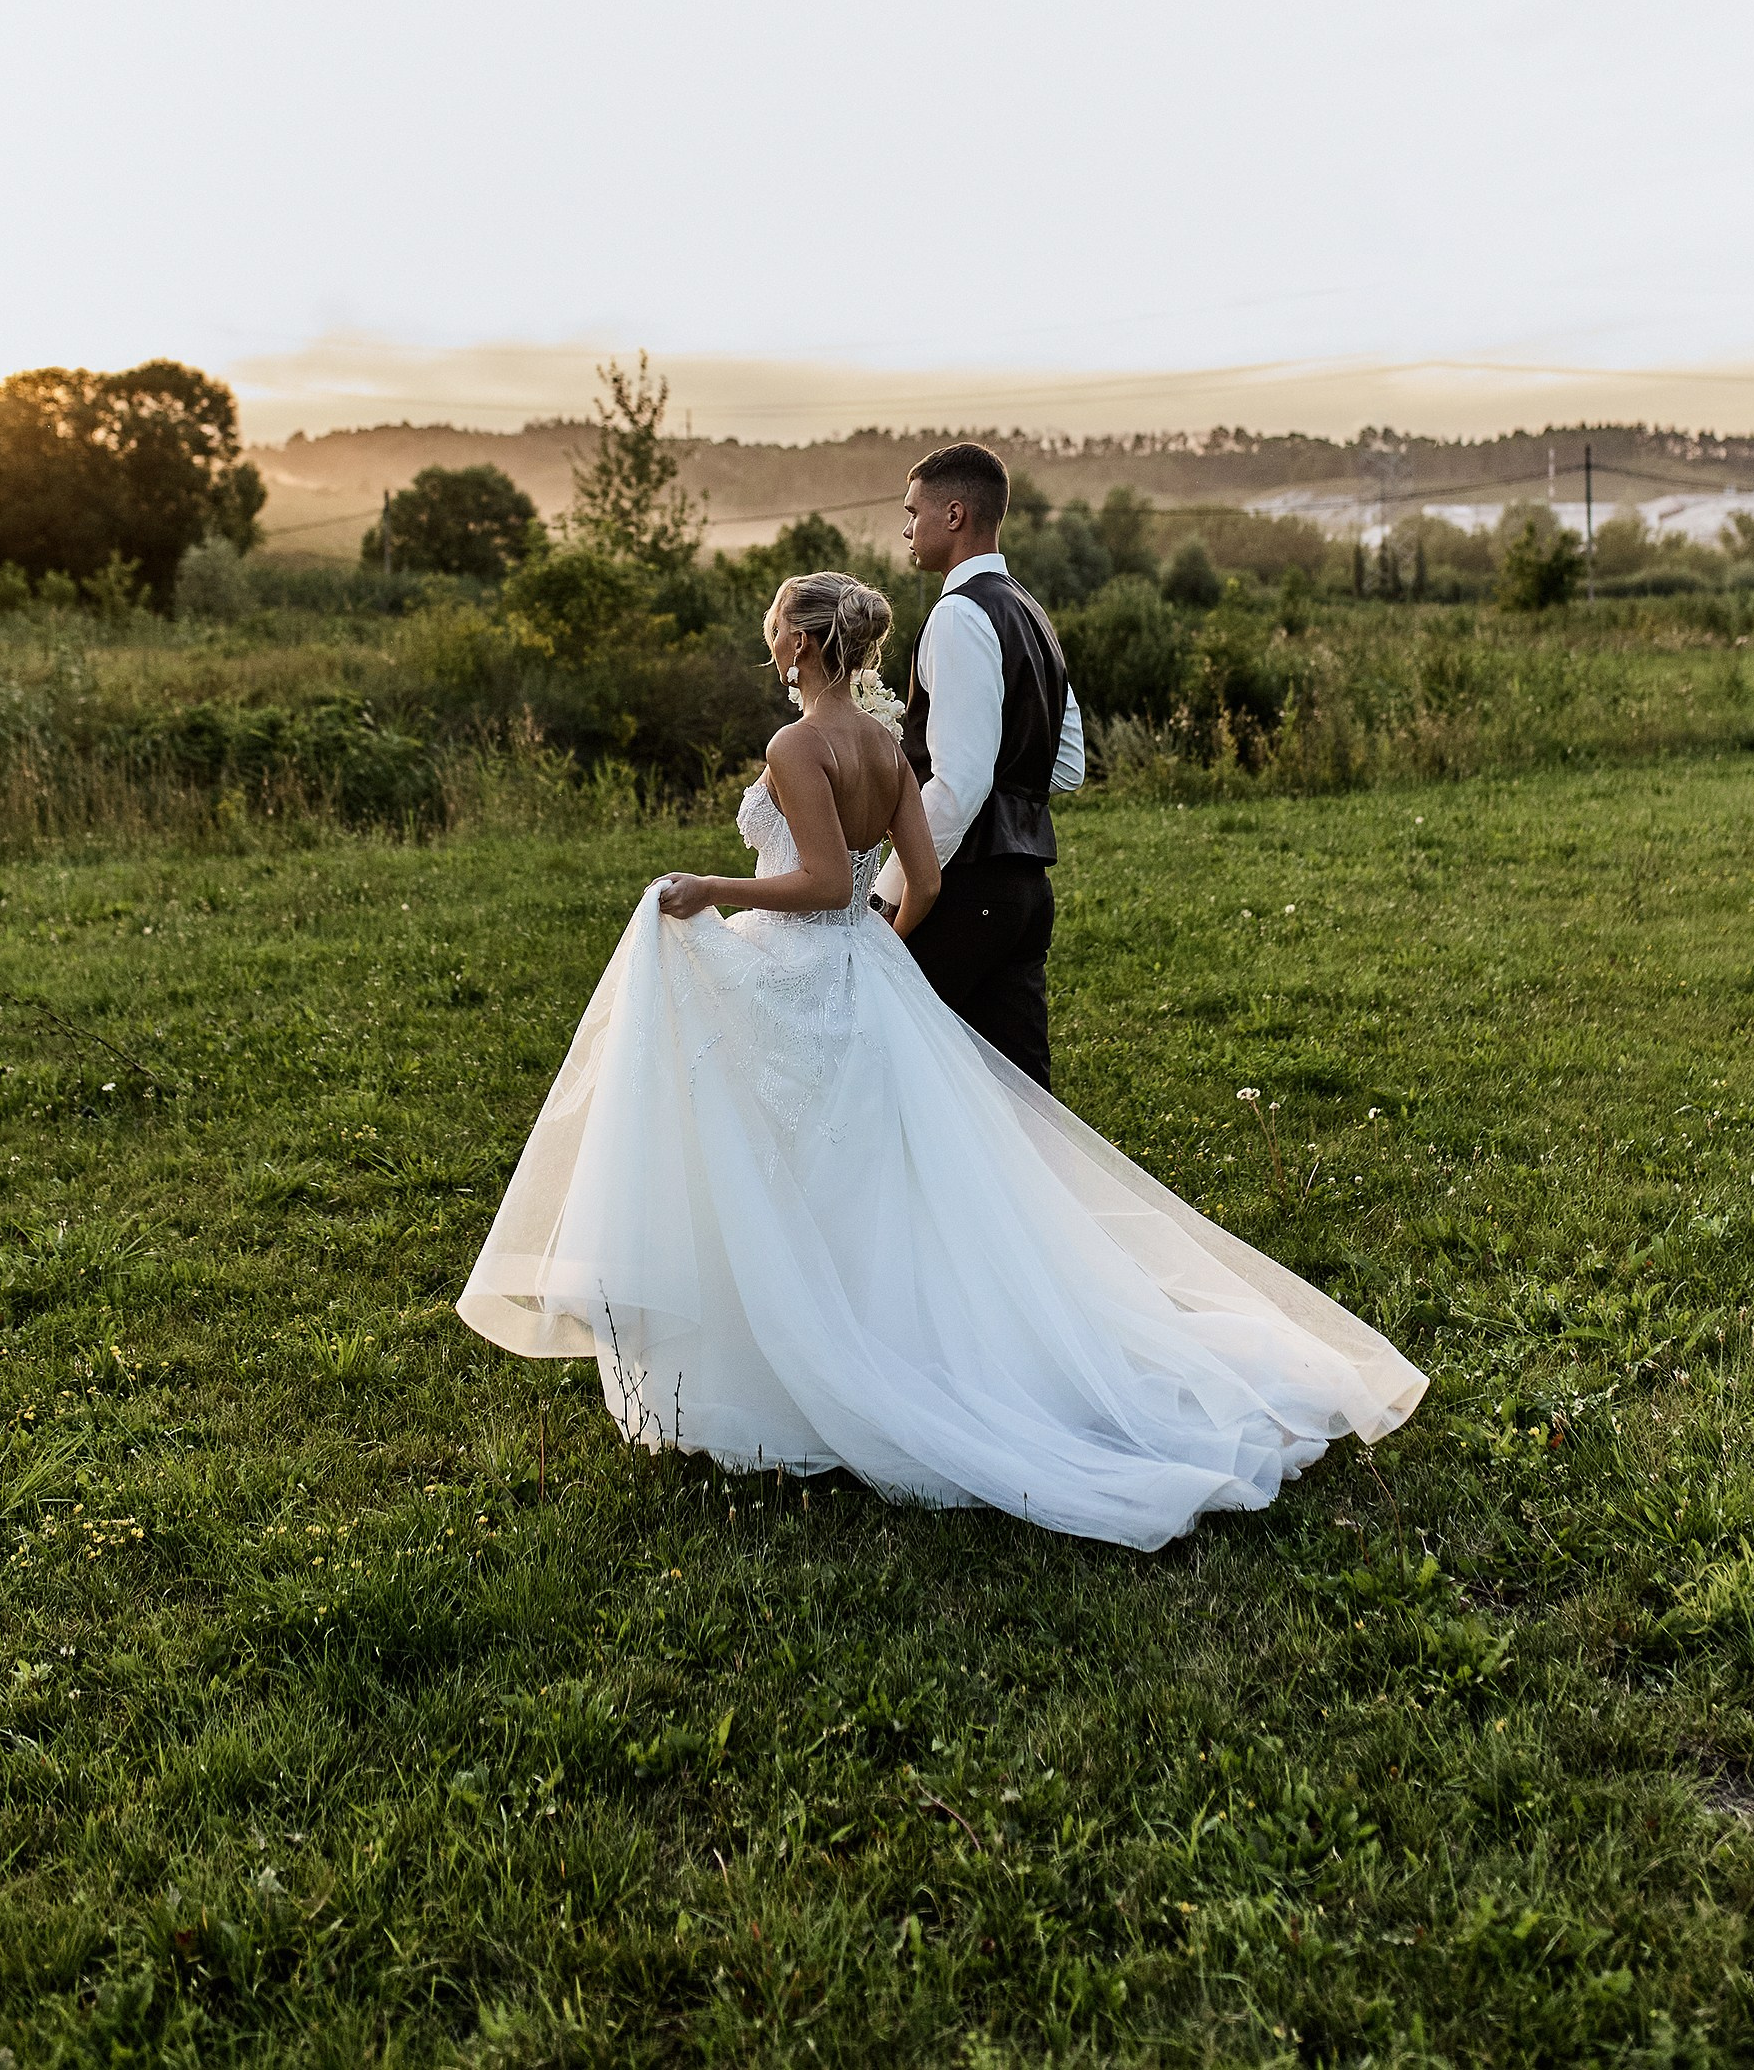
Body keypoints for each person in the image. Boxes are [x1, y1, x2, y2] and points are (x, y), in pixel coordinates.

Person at [458, 568, 1424, 1552]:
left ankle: (814, 1362)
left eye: (774, 625)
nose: (768, 638)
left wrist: (714, 887)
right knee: (863, 1172)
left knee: (775, 1157)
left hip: (797, 966)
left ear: (801, 644)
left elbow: (820, 880)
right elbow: (918, 879)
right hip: (865, 968)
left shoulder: (795, 745)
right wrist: (874, 942)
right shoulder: (886, 747)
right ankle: (867, 1333)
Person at [874, 441, 1083, 1091]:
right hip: (1025, 891)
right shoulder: (1029, 612)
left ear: (955, 514)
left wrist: (890, 890)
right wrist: (1012, 790)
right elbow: (1066, 764)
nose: (907, 529)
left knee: (899, 1073)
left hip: (963, 892)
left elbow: (960, 784)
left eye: (913, 512)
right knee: (1022, 1097)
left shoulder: (960, 614)